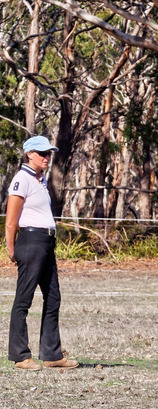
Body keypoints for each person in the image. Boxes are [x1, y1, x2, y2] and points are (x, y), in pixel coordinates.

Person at [5, 135, 78, 371]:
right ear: (29, 154)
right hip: (31, 240)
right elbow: (11, 220)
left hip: (46, 241)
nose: (47, 157)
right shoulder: (21, 179)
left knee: (53, 297)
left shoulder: (41, 180)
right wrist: (11, 247)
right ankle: (20, 356)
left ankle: (52, 354)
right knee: (23, 300)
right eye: (43, 153)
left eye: (49, 153)